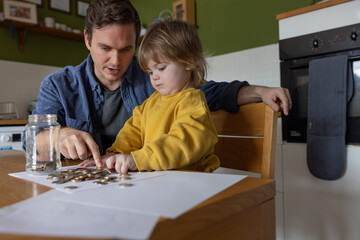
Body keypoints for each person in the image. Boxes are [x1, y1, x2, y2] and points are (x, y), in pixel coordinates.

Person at [30, 0, 291, 167]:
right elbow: (32, 143)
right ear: (87, 40)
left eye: (126, 49)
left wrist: (258, 91)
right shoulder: (58, 85)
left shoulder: (157, 79)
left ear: (137, 41)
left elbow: (207, 93)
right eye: (105, 48)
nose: (116, 60)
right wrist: (59, 136)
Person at [82, 19, 220, 173]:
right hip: (160, 179)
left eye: (161, 68)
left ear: (189, 61)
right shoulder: (150, 103)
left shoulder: (192, 101)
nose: (154, 77)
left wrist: (138, 159)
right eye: (150, 72)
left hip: (193, 180)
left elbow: (183, 142)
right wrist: (117, 153)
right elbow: (131, 133)